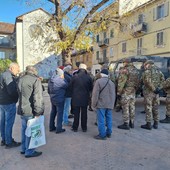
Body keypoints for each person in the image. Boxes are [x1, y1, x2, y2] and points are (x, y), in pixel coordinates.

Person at [17, 66, 44, 158]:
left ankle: (24, 149)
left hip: (22, 109)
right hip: (31, 110)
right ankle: (29, 151)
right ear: (34, 71)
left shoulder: (21, 79)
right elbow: (38, 97)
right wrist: (38, 112)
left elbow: (20, 94)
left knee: (24, 130)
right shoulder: (35, 80)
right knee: (31, 131)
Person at [0, 62, 21, 148]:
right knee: (8, 123)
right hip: (8, 102)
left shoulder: (3, 74)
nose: (18, 71)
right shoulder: (8, 76)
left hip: (2, 102)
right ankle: (8, 142)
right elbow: (11, 91)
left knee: (3, 122)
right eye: (17, 69)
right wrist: (18, 95)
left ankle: (4, 139)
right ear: (12, 68)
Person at [92, 68, 116, 140]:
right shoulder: (112, 82)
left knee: (101, 120)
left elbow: (95, 94)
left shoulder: (98, 81)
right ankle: (109, 133)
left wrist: (93, 104)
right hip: (110, 104)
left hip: (101, 103)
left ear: (101, 74)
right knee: (109, 118)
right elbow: (113, 94)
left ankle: (102, 135)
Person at [141, 60, 164, 130]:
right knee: (155, 108)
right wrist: (158, 89)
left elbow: (147, 81)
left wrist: (153, 89)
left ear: (148, 64)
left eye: (146, 64)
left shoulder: (147, 71)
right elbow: (163, 81)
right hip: (156, 93)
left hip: (149, 93)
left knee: (148, 108)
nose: (145, 66)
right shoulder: (159, 71)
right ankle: (156, 123)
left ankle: (148, 124)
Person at [117, 59, 140, 130]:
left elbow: (121, 82)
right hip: (133, 91)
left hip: (126, 91)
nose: (123, 64)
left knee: (125, 107)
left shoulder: (125, 70)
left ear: (126, 62)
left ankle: (126, 123)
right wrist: (135, 89)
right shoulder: (136, 70)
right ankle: (132, 123)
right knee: (132, 107)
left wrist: (119, 92)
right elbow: (138, 82)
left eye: (123, 63)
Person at [71, 63, 93, 132]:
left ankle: (75, 128)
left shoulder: (75, 76)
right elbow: (91, 88)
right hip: (85, 98)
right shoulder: (88, 77)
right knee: (84, 113)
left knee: (76, 113)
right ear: (85, 69)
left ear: (79, 69)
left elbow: (70, 86)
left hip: (76, 98)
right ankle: (84, 128)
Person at [48, 67, 70, 133]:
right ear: (61, 74)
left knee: (53, 112)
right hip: (60, 99)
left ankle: (51, 127)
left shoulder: (50, 80)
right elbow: (66, 85)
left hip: (52, 98)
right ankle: (59, 128)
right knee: (60, 113)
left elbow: (48, 90)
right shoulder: (61, 80)